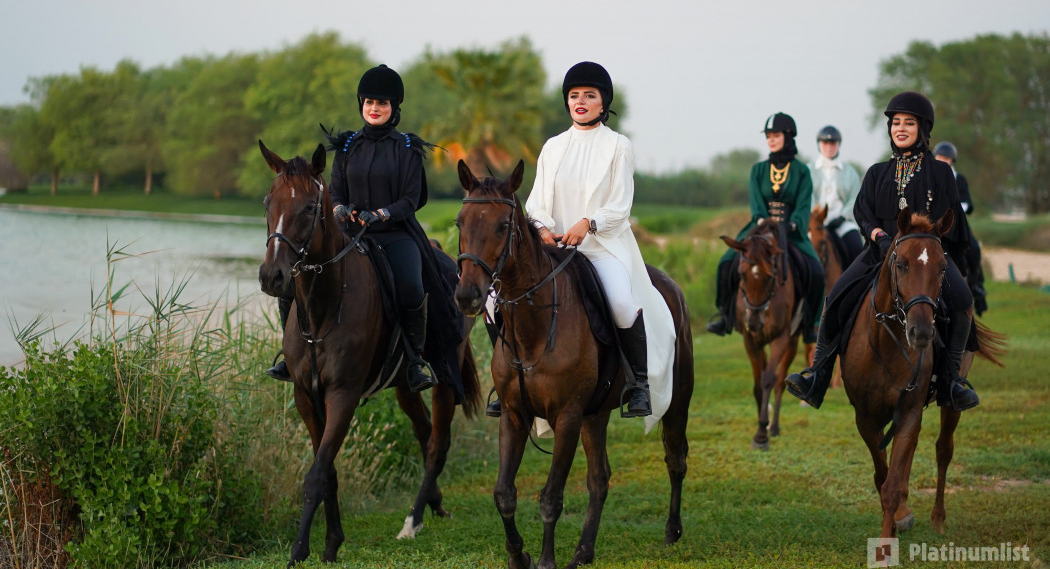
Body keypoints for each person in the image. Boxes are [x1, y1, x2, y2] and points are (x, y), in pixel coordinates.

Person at [485, 61, 676, 423]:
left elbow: (620, 206)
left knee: (621, 302)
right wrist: (541, 228)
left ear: (603, 103)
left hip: (601, 248)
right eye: (575, 96)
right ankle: (506, 381)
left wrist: (588, 223)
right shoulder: (553, 147)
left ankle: (638, 385)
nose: (581, 101)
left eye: (590, 95)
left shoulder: (619, 146)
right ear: (567, 103)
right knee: (494, 301)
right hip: (552, 251)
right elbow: (537, 201)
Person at [270, 64, 459, 394]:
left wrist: (381, 214)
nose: (375, 108)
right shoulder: (346, 147)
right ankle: (290, 354)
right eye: (370, 102)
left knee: (412, 287)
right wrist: (343, 208)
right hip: (348, 232)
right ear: (362, 104)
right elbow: (336, 191)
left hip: (396, 233)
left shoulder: (408, 149)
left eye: (382, 103)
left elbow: (411, 199)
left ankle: (415, 360)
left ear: (394, 108)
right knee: (295, 278)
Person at [785, 92, 980, 411]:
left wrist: (929, 243)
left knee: (962, 303)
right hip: (879, 251)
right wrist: (878, 234)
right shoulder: (876, 172)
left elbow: (951, 219)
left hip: (924, 259)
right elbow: (862, 212)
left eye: (909, 123)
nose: (901, 128)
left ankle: (951, 382)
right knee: (835, 298)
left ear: (923, 128)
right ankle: (817, 376)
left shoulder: (941, 173)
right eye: (896, 123)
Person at [705, 113, 824, 344]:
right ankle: (725, 316)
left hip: (791, 230)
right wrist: (761, 220)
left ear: (788, 137)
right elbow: (757, 202)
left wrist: (794, 224)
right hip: (759, 229)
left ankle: (811, 324)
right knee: (726, 262)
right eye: (768, 136)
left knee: (817, 271)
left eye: (775, 135)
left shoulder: (801, 171)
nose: (771, 139)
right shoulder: (758, 170)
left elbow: (803, 204)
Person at [934, 141, 988, 314]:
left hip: (957, 222)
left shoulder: (959, 179)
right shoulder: (931, 176)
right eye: (940, 157)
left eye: (946, 158)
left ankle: (976, 282)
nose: (943, 160)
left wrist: (957, 210)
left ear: (952, 161)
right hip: (934, 223)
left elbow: (967, 202)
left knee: (972, 246)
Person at [809, 125, 863, 266]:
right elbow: (807, 197)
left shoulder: (850, 172)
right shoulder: (808, 170)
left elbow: (855, 199)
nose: (829, 146)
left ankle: (856, 284)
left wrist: (842, 217)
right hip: (814, 222)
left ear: (838, 144)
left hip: (841, 222)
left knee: (856, 246)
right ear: (819, 144)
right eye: (825, 143)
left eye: (833, 143)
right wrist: (815, 217)